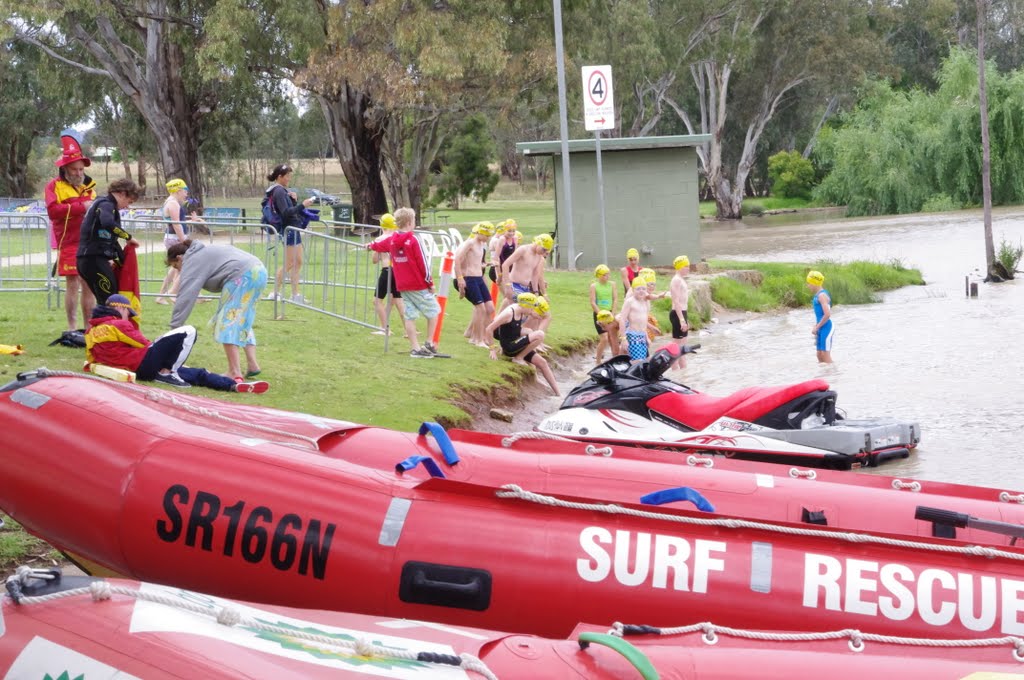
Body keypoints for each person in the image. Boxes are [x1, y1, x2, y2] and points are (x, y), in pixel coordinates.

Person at [85, 294, 268, 392]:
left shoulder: (90, 331)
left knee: (195, 374)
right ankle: (168, 372)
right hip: (142, 363)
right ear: (119, 308)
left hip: (134, 368)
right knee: (188, 331)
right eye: (128, 313)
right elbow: (145, 344)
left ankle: (231, 386)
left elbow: (92, 358)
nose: (129, 317)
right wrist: (168, 356)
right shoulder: (118, 324)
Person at [167, 240, 268, 381]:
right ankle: (252, 365)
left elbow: (186, 295)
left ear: (179, 257)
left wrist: (175, 329)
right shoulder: (204, 251)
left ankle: (234, 371)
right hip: (259, 271)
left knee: (227, 322)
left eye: (176, 266)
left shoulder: (192, 260)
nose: (179, 271)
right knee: (241, 319)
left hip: (241, 276)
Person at [366, 207, 441, 357]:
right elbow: (423, 263)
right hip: (417, 284)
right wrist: (430, 283)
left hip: (403, 286)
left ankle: (415, 348)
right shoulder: (413, 240)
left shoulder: (392, 239)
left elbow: (378, 245)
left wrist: (369, 245)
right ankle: (429, 342)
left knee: (410, 315)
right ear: (409, 222)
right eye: (414, 220)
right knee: (434, 311)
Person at [45, 132, 97, 332]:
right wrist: (80, 207)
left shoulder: (89, 187)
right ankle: (72, 326)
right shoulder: (53, 187)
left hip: (89, 242)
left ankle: (88, 328)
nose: (78, 173)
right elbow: (53, 212)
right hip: (68, 242)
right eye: (74, 169)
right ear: (65, 169)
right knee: (73, 284)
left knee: (89, 284)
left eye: (81, 169)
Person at [76, 178, 142, 305]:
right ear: (122, 193)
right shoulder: (106, 204)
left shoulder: (104, 204)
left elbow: (109, 239)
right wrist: (128, 237)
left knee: (105, 300)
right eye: (129, 201)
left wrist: (118, 259)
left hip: (90, 259)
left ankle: (103, 323)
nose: (128, 206)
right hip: (93, 259)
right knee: (111, 301)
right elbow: (108, 223)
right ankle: (108, 324)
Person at [485, 293, 559, 395]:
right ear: (526, 306)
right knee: (540, 334)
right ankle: (519, 358)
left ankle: (558, 394)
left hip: (516, 343)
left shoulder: (520, 310)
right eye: (532, 308)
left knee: (543, 362)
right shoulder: (509, 313)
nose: (532, 311)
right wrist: (492, 349)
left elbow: (511, 329)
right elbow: (489, 329)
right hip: (510, 347)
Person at [265, 164, 316, 303]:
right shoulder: (279, 192)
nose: (289, 179)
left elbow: (289, 209)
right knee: (289, 263)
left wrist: (294, 200)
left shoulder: (283, 191)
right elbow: (286, 213)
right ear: (279, 176)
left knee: (297, 262)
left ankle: (295, 295)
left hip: (294, 229)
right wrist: (302, 205)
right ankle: (274, 292)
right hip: (289, 230)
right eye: (287, 176)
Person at [156, 179, 204, 305]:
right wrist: (184, 240)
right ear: (178, 190)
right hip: (175, 239)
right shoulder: (173, 204)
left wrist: (192, 221)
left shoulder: (172, 202)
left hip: (174, 238)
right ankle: (173, 294)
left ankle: (165, 296)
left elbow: (178, 223)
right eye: (185, 191)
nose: (186, 194)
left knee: (177, 269)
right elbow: (176, 224)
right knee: (185, 267)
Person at [454, 221, 496, 347]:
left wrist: (487, 264)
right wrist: (460, 279)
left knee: (490, 308)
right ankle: (476, 339)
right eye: (487, 235)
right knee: (480, 309)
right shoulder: (470, 243)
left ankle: (485, 337)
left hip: (479, 278)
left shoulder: (481, 244)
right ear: (480, 233)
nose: (488, 238)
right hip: (469, 278)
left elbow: (476, 262)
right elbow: (457, 260)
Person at [370, 212, 406, 335]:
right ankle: (410, 330)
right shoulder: (397, 237)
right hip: (398, 271)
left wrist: (375, 250)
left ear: (381, 225)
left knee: (377, 300)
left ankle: (385, 329)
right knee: (398, 301)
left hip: (387, 270)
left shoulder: (380, 239)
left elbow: (374, 260)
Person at [502, 233, 553, 302]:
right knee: (525, 309)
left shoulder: (539, 256)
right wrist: (507, 285)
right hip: (514, 285)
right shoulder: (523, 250)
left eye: (546, 251)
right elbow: (505, 265)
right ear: (538, 243)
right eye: (543, 249)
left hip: (526, 288)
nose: (544, 253)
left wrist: (536, 292)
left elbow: (535, 274)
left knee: (524, 309)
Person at [590, 264, 619, 363]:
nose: (607, 277)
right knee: (604, 338)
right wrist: (600, 314)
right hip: (599, 315)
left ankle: (615, 359)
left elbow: (615, 299)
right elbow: (593, 302)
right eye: (604, 275)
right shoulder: (594, 286)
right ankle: (598, 361)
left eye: (608, 274)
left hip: (610, 313)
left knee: (613, 338)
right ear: (599, 275)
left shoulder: (612, 284)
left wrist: (613, 314)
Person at [619, 277, 653, 362]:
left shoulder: (645, 302)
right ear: (633, 290)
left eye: (643, 289)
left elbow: (643, 322)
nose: (641, 291)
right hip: (632, 336)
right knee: (637, 362)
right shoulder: (630, 302)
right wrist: (623, 339)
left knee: (644, 362)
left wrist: (647, 337)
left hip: (642, 336)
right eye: (638, 289)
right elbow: (622, 319)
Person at [807, 270, 834, 363]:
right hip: (820, 327)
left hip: (826, 327)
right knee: (819, 354)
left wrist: (817, 327)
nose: (808, 285)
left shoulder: (822, 295)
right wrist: (816, 326)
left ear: (815, 283)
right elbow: (820, 314)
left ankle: (832, 375)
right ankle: (822, 374)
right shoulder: (817, 295)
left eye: (809, 283)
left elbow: (827, 314)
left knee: (825, 355)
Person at [668, 255, 691, 368]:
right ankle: (676, 371)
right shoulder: (676, 280)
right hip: (677, 314)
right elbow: (676, 301)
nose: (688, 268)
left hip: (682, 313)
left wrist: (685, 318)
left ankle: (683, 374)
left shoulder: (681, 279)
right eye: (686, 266)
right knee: (677, 347)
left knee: (682, 347)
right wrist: (682, 320)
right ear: (680, 266)